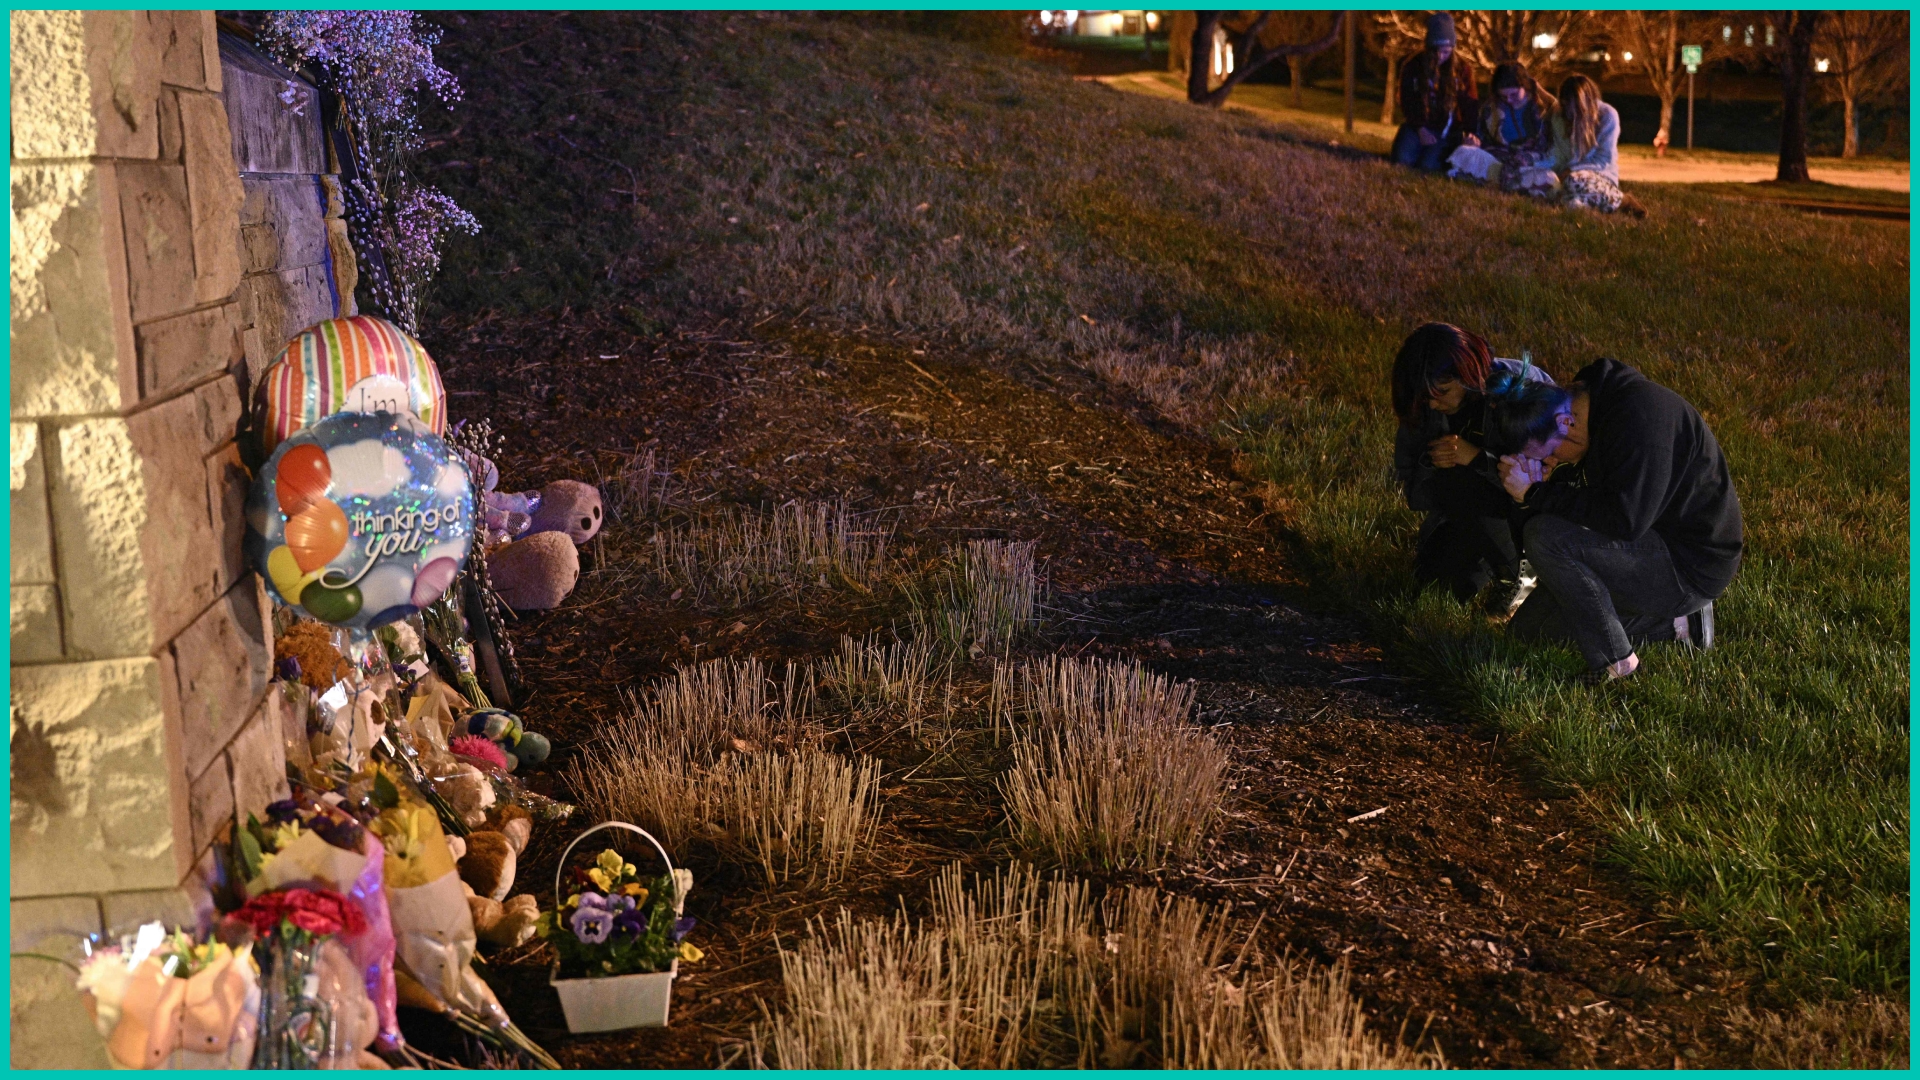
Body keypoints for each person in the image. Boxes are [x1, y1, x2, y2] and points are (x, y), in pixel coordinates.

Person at [1495, 358, 1742, 684]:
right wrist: (1531, 495)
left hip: (1689, 563)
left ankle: (1616, 664)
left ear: (1565, 424)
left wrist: (1536, 494)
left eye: (1549, 454)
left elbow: (1624, 521)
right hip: (1650, 543)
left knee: (1545, 536)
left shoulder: (1640, 423)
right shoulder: (1595, 408)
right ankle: (1680, 625)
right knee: (1529, 630)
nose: (1551, 462)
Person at [1391, 323, 1553, 602]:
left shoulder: (1518, 389)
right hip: (1466, 513)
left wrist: (1477, 459)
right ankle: (1490, 565)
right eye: (1425, 396)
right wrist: (1433, 464)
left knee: (1464, 479)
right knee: (1432, 587)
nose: (1432, 404)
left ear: (1467, 374)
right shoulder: (1424, 408)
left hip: (1527, 517)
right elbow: (1413, 493)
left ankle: (1521, 576)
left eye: (1442, 391)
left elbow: (1549, 479)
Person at [1392, 13, 1480, 173]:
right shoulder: (1413, 65)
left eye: (1446, 52)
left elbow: (1469, 103)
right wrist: (1420, 128)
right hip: (1418, 125)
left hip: (1447, 130)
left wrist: (1471, 132)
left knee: (1428, 166)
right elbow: (1407, 99)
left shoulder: (1462, 69)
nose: (1440, 57)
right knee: (1402, 159)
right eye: (1435, 51)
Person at [1550, 74, 1645, 217]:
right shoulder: (1561, 117)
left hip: (1600, 176)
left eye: (1573, 107)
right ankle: (1579, 204)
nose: (1569, 112)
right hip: (1567, 175)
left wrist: (1570, 171)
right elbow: (1558, 151)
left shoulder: (1607, 115)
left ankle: (1623, 201)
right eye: (1565, 105)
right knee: (1562, 195)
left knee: (1575, 181)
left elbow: (1603, 160)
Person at [1477, 62, 1558, 195]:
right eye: (1504, 96)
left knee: (1518, 164)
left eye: (1513, 95)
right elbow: (1483, 138)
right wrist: (1474, 142)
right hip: (1501, 154)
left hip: (1535, 157)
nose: (1508, 100)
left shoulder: (1541, 107)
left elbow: (1552, 140)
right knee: (1465, 153)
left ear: (1524, 87)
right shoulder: (1491, 109)